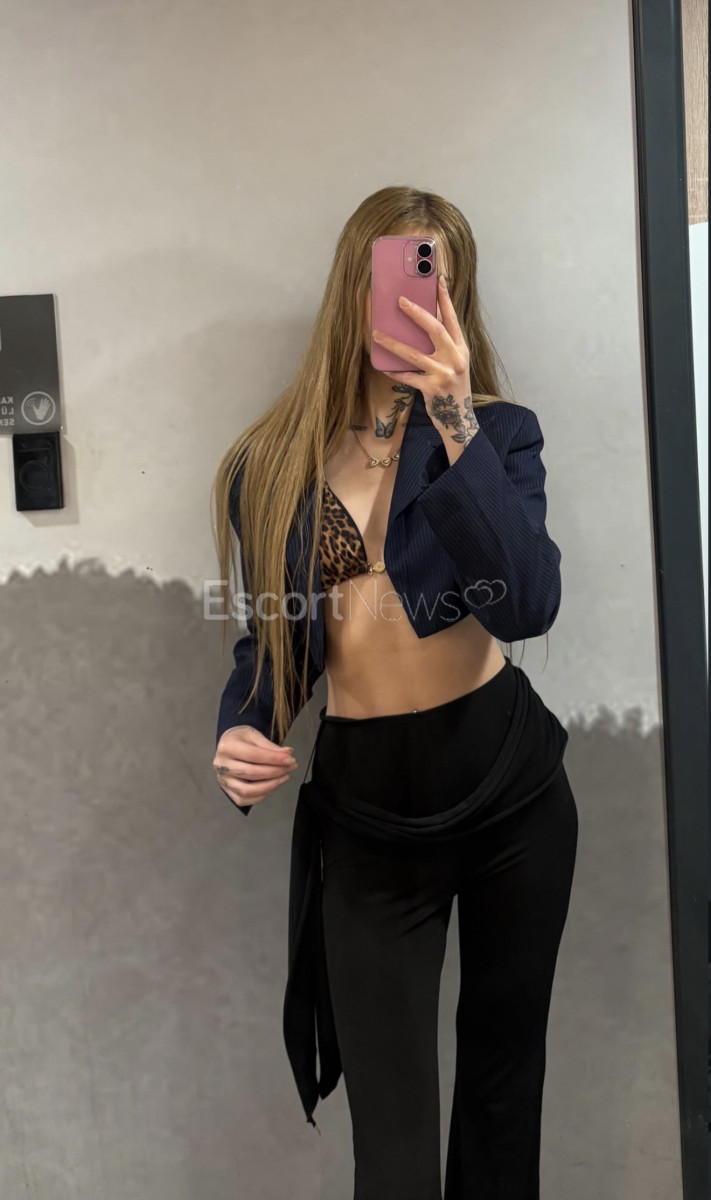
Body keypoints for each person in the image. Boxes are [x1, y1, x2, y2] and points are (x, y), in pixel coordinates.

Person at [211, 185, 578, 1200]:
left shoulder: (498, 435)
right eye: (394, 279)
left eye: (433, 283)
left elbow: (526, 604)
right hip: (369, 812)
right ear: (353, 286)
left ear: (457, 296)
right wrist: (243, 729)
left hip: (511, 794)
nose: (411, 303)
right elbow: (277, 642)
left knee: (502, 1102)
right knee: (394, 1143)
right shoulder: (271, 463)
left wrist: (455, 420)